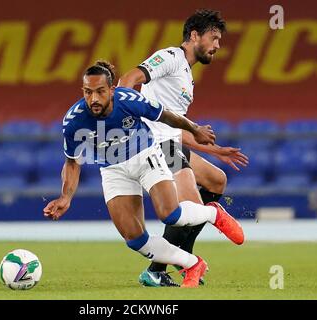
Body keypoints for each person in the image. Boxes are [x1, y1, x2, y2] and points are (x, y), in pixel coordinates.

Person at [43, 60, 244, 288]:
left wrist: (194, 129)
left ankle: (212, 214)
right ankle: (192, 263)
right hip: (112, 169)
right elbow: (72, 162)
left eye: (100, 92)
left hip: (145, 155)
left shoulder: (129, 100)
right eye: (88, 92)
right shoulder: (73, 121)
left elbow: (166, 116)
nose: (94, 99)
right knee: (135, 239)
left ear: (112, 89)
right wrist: (65, 197)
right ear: (83, 91)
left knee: (171, 215)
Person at [117, 9, 248, 287]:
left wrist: (217, 151)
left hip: (169, 141)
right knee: (191, 208)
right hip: (156, 145)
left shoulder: (187, 76)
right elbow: (130, 78)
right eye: (213, 38)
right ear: (194, 35)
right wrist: (120, 107)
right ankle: (159, 269)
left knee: (217, 180)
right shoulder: (170, 58)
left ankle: (182, 258)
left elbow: (175, 128)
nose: (217, 46)